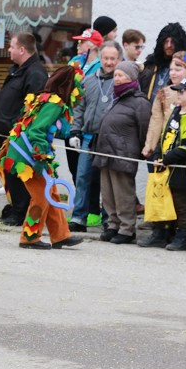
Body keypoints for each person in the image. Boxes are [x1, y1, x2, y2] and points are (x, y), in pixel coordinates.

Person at [0, 65, 83, 250]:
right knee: (41, 196)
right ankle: (29, 237)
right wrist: (40, 156)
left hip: (27, 151)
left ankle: (60, 235)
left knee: (51, 192)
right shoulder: (55, 103)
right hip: (28, 156)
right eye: (78, 85)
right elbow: (37, 131)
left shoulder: (46, 98)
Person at [145, 77, 186, 251]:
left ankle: (183, 235)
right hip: (168, 164)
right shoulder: (176, 111)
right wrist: (158, 153)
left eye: (182, 92)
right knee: (165, 200)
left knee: (181, 204)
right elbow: (166, 134)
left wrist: (168, 158)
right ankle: (163, 232)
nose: (177, 94)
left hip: (183, 168)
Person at [0, 32, 48, 226]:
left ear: (22, 49)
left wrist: (16, 126)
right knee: (8, 173)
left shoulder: (35, 73)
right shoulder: (18, 70)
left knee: (18, 173)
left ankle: (21, 210)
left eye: (12, 46)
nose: (9, 50)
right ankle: (15, 207)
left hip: (18, 135)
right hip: (7, 134)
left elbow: (32, 107)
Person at [93, 61, 149, 244]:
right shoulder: (116, 98)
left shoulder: (139, 102)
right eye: (115, 75)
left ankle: (127, 228)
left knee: (123, 194)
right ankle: (113, 225)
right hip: (106, 153)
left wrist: (139, 151)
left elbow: (144, 128)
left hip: (122, 154)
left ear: (131, 78)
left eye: (121, 75)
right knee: (108, 194)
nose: (116, 79)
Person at [68, 41, 120, 232]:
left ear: (118, 60)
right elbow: (80, 108)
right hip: (88, 137)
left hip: (109, 140)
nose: (108, 62)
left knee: (107, 181)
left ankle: (109, 218)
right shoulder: (88, 81)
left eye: (112, 59)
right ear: (100, 58)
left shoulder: (121, 82)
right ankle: (79, 216)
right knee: (82, 177)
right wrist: (75, 131)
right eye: (105, 58)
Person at [139, 22, 186, 102]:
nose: (169, 45)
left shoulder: (185, 68)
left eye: (172, 42)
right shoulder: (151, 65)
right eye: (166, 41)